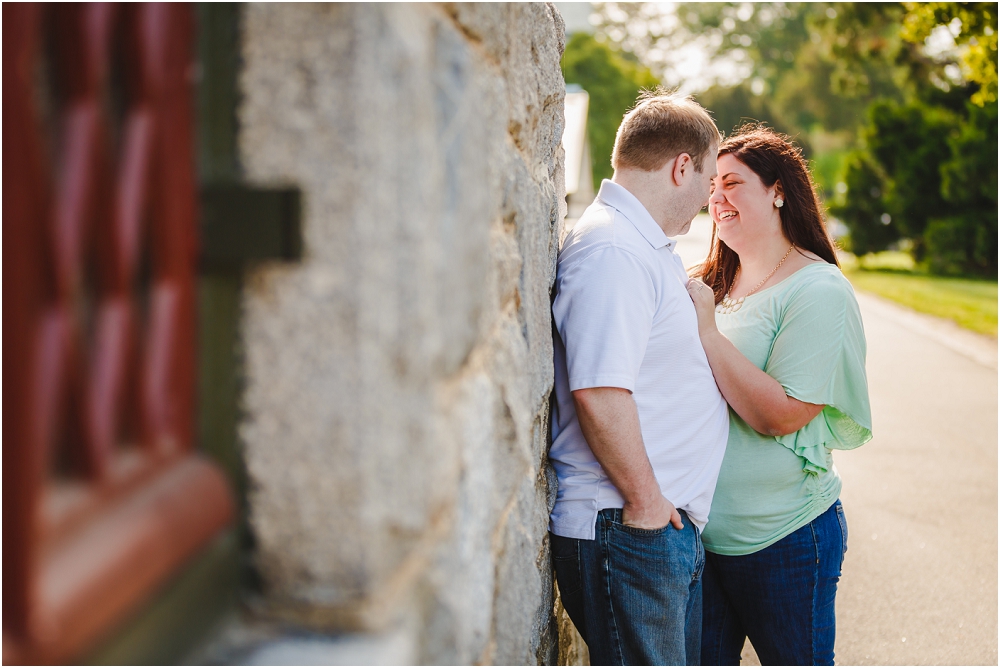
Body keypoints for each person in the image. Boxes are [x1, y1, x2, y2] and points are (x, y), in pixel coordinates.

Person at [549, 90, 730, 665]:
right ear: (683, 167)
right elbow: (600, 389)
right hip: (629, 526)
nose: (709, 198)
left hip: (649, 528)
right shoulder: (614, 251)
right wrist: (648, 503)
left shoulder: (639, 246)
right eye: (708, 178)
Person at [685, 125, 873, 666]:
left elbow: (780, 414)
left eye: (732, 183)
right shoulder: (711, 281)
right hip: (703, 537)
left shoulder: (817, 290)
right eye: (711, 184)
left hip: (785, 539)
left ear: (778, 190)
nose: (716, 197)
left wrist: (706, 333)